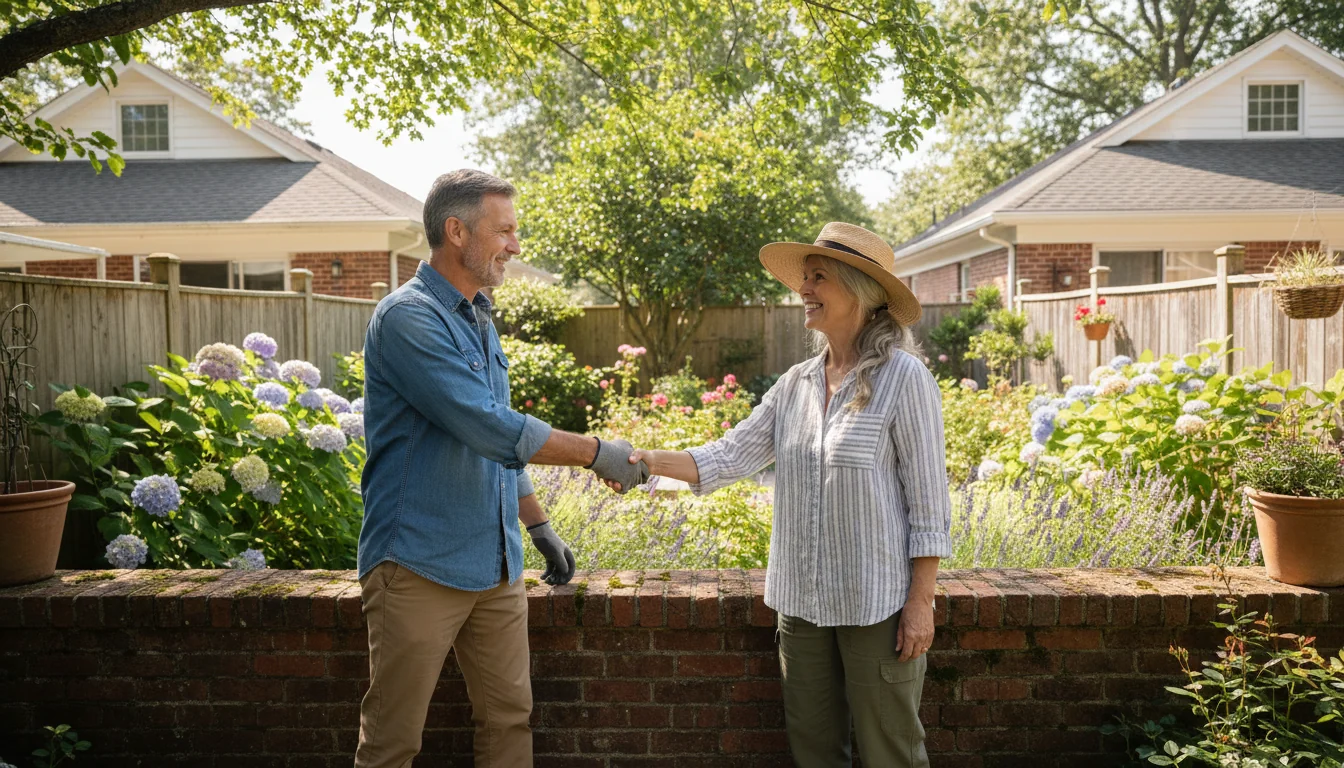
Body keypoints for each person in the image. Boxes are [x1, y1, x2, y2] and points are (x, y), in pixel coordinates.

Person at [608, 222, 952, 767]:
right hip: (802, 604)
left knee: (892, 753)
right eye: (805, 277)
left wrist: (920, 603)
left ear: (860, 291)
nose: (804, 289)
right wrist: (643, 462)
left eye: (819, 278)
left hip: (878, 603)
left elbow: (929, 504)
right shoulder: (796, 384)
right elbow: (728, 456)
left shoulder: (905, 380)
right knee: (814, 751)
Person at [355, 169, 648, 768]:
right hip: (417, 563)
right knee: (393, 741)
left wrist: (536, 525)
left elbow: (498, 439)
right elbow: (487, 427)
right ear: (456, 231)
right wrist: (596, 453)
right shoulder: (408, 318)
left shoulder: (478, 317)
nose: (515, 245)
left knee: (509, 721)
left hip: (496, 565)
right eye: (505, 231)